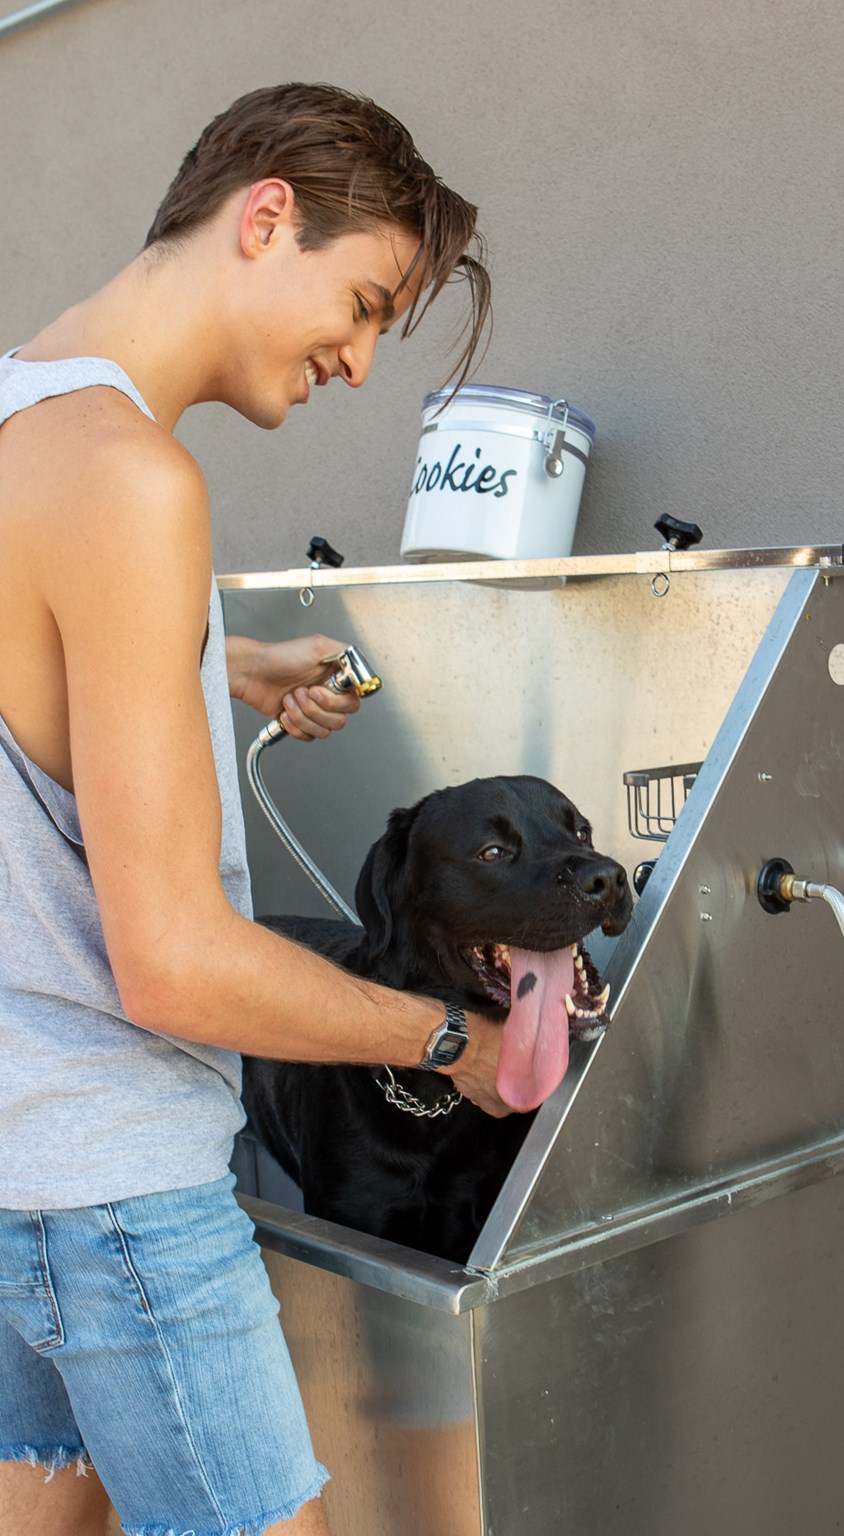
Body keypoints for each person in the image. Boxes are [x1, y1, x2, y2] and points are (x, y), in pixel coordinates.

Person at [0, 82, 502, 1536]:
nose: (355, 362)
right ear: (264, 214)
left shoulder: (27, 427)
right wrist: (449, 1041)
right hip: (119, 1198)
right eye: (359, 303)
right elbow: (174, 963)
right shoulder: (134, 483)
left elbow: (46, 638)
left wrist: (221, 657)